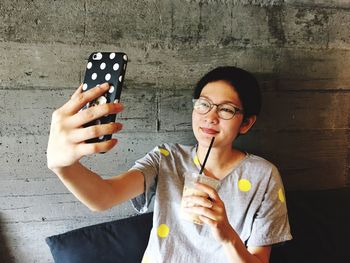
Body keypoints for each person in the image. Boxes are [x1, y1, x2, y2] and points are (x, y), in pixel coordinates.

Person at [47, 66, 292, 263]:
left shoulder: (263, 175)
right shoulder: (167, 157)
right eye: (204, 104)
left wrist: (226, 234)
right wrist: (63, 167)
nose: (211, 116)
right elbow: (103, 197)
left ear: (246, 123)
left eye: (226, 109)